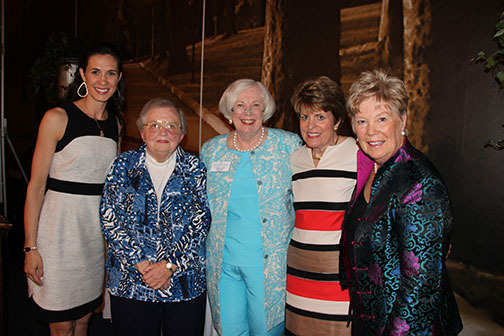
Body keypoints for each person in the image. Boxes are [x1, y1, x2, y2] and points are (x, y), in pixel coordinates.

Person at [340, 70, 463, 335]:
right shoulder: (373, 168)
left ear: (403, 120)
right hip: (370, 320)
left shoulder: (420, 184)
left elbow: (420, 289)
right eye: (362, 121)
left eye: (382, 119)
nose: (371, 131)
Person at [23, 42, 124, 335]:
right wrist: (31, 247)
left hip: (92, 239)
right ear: (82, 74)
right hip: (57, 236)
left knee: (82, 321)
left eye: (110, 73)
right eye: (95, 72)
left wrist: (108, 245)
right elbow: (36, 187)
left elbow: (112, 191)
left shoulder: (117, 124)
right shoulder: (57, 118)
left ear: (118, 78)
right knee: (61, 325)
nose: (102, 81)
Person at [100, 97, 211, 336]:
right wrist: (143, 265)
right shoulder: (122, 166)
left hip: (183, 283)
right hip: (131, 283)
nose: (164, 131)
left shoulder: (195, 169)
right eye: (155, 125)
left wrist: (168, 267)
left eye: (172, 126)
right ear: (142, 132)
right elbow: (110, 219)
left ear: (182, 135)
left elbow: (200, 223)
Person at [201, 79, 302, 336]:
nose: (247, 112)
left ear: (265, 110)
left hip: (270, 267)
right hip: (224, 266)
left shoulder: (288, 146)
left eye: (255, 105)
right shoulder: (211, 151)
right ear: (229, 112)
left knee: (266, 331)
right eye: (240, 105)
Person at [286, 76, 358, 335]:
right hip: (299, 271)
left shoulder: (357, 153)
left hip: (337, 272)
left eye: (320, 117)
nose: (310, 125)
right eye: (305, 117)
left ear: (337, 120)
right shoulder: (295, 159)